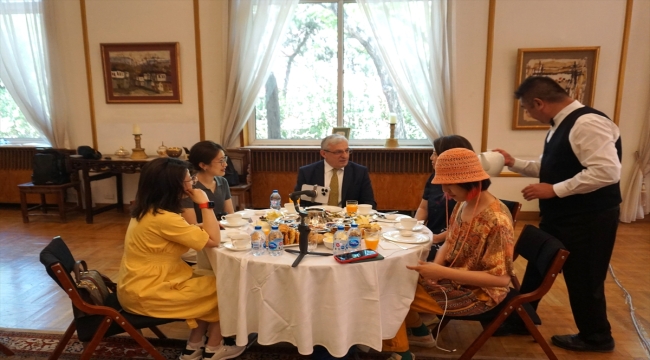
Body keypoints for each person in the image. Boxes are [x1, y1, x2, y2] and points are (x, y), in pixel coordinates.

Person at [492, 76, 621, 352]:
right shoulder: (563, 124)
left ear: (539, 103)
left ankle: (597, 337)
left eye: (528, 109)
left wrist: (555, 190)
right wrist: (514, 163)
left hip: (589, 218)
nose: (529, 114)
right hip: (563, 216)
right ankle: (521, 319)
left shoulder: (588, 123)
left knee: (584, 277)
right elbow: (554, 166)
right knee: (539, 267)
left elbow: (607, 172)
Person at [382, 148, 515, 360]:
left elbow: (500, 278)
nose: (445, 191)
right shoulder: (464, 203)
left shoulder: (496, 220)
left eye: (449, 184)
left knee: (392, 293)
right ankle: (419, 334)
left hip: (478, 295)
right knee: (393, 279)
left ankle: (400, 352)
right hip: (452, 279)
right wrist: (435, 268)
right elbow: (451, 240)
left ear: (469, 181)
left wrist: (441, 271)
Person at [116, 157, 245, 360]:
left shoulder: (149, 211)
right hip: (149, 293)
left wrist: (200, 227)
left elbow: (179, 232)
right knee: (228, 286)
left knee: (206, 277)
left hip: (139, 284)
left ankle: (193, 346)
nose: (192, 184)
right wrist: (205, 204)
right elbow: (213, 240)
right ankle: (214, 348)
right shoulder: (165, 218)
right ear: (172, 186)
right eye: (189, 180)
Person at [414, 135, 474, 261]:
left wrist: (436, 238)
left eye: (435, 154)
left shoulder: (468, 188)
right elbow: (423, 208)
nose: (431, 158)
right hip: (433, 236)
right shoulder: (433, 177)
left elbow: (464, 227)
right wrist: (414, 228)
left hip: (452, 241)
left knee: (411, 258)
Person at [294, 134, 376, 208]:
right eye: (338, 152)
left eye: (347, 151)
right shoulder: (307, 172)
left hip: (348, 220)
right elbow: (299, 202)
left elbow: (369, 203)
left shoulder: (359, 172)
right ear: (323, 154)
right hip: (316, 219)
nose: (344, 156)